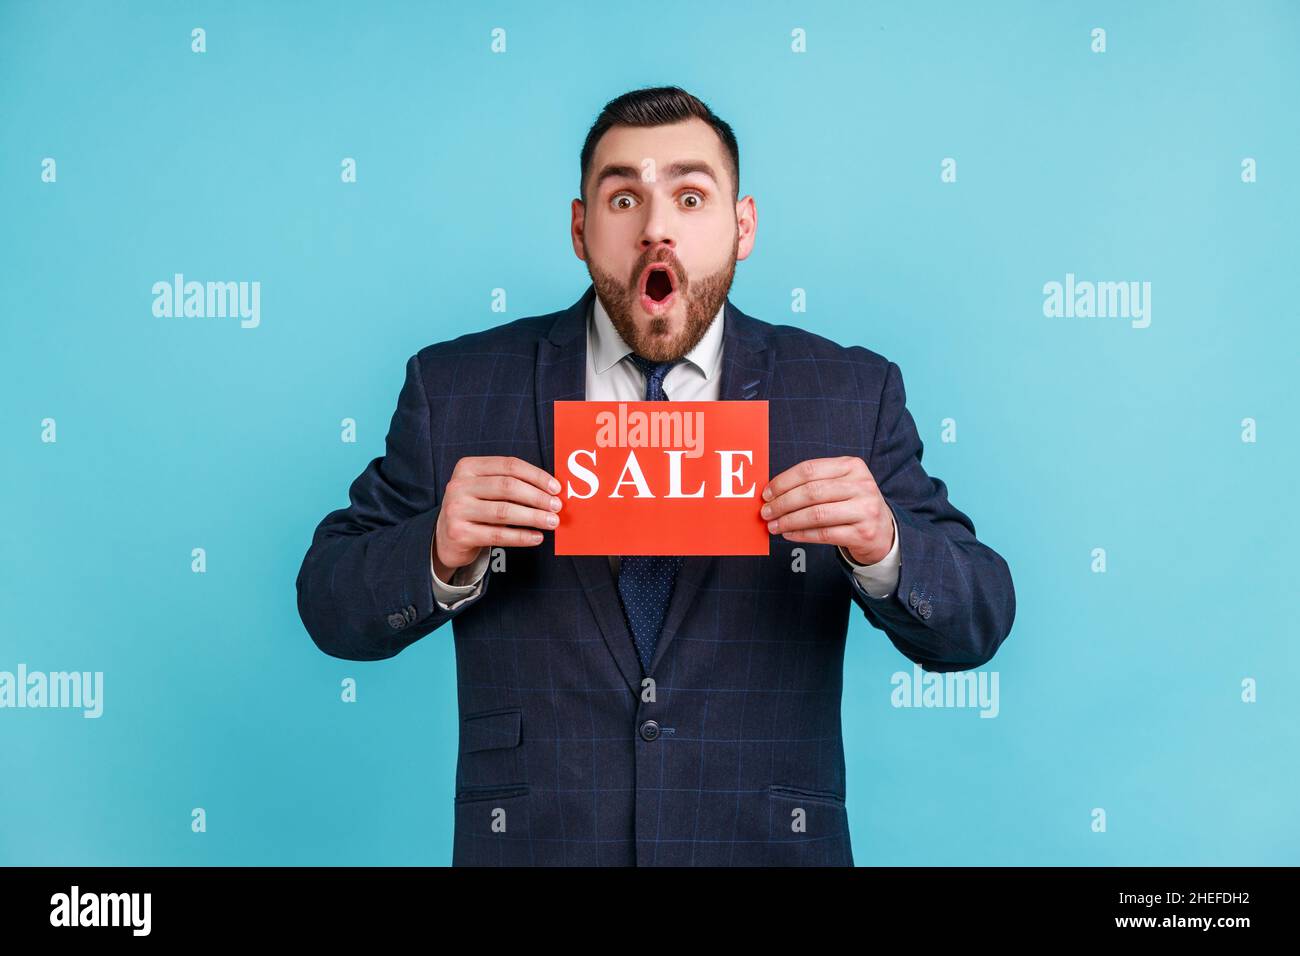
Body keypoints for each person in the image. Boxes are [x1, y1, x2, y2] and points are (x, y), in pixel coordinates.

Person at [295, 86, 1016, 866]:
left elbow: (976, 619)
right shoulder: (459, 388)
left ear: (743, 227)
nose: (656, 228)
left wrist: (887, 546)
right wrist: (433, 554)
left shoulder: (847, 392)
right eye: (624, 197)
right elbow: (328, 602)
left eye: (691, 195)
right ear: (580, 228)